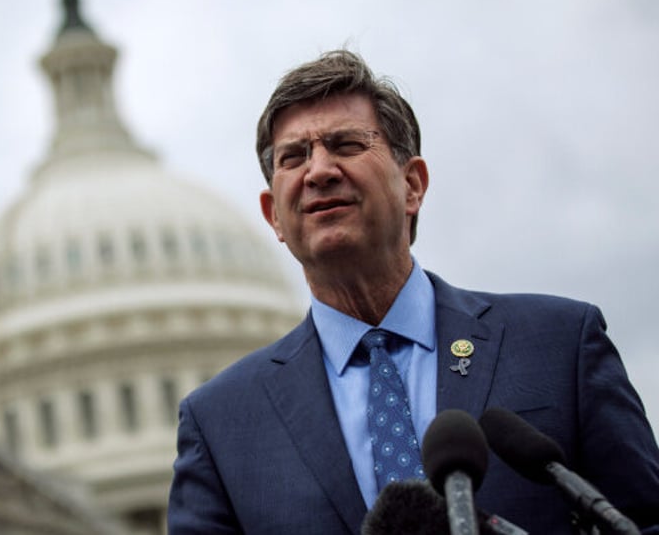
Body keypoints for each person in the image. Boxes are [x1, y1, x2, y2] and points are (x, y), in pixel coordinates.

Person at [167, 50, 659, 534]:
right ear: (273, 214)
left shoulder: (558, 345)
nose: (318, 171)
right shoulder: (221, 424)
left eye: (346, 145)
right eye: (294, 157)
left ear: (413, 185)